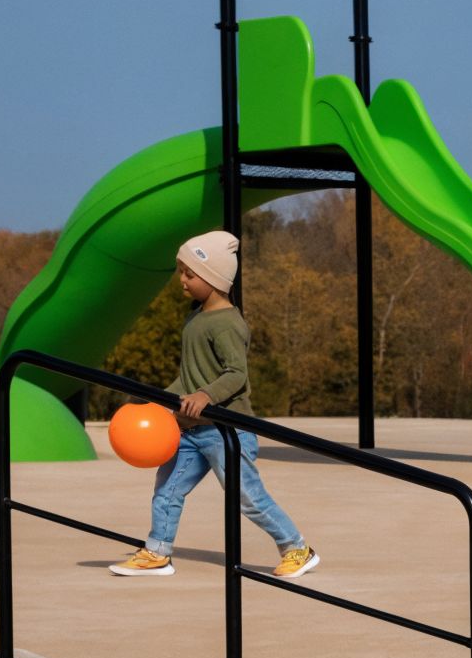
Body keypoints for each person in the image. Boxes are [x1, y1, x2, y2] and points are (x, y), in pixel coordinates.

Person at [109, 231, 320, 580]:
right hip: (189, 429)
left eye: (189, 274)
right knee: (167, 491)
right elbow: (189, 378)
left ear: (214, 277)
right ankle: (157, 552)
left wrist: (206, 396)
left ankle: (297, 548)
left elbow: (236, 374)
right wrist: (157, 400)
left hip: (227, 431)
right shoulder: (194, 319)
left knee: (246, 496)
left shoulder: (227, 324)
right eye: (181, 272)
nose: (182, 280)